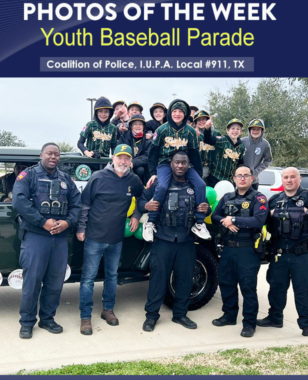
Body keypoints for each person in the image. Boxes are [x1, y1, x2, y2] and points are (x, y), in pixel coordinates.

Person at [12, 143, 82, 339]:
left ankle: (47, 319)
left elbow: (77, 205)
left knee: (55, 282)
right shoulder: (29, 175)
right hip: (36, 236)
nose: (53, 157)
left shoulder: (65, 179)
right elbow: (19, 202)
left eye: (56, 154)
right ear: (41, 154)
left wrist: (68, 223)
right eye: (49, 153)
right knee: (32, 282)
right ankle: (26, 322)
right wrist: (43, 222)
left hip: (59, 238)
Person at [138, 151, 211, 332]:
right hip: (163, 239)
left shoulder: (194, 185)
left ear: (188, 165)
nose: (180, 166)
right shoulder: (159, 184)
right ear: (171, 164)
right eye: (177, 162)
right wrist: (145, 206)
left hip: (186, 240)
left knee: (185, 279)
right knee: (158, 280)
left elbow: (205, 209)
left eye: (183, 163)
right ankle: (151, 316)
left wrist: (207, 210)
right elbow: (141, 201)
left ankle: (180, 315)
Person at [257, 167, 308, 336]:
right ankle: (275, 318)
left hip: (301, 254)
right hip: (279, 254)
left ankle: (307, 325)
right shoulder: (276, 199)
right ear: (282, 180)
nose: (289, 180)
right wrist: (269, 215)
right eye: (286, 177)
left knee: (304, 289)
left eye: (293, 177)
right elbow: (261, 220)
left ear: (299, 179)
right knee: (276, 287)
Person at [77, 144, 144, 335]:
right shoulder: (98, 177)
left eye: (127, 158)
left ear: (131, 161)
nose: (123, 161)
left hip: (116, 238)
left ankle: (107, 310)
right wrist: (81, 228)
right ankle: (85, 317)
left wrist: (137, 215)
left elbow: (143, 197)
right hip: (94, 237)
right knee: (88, 279)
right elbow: (85, 205)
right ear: (112, 158)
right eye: (120, 157)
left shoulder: (134, 179)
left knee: (112, 276)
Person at [211, 165, 268, 338]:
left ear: (252, 178)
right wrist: (225, 221)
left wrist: (234, 219)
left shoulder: (259, 198)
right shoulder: (227, 197)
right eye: (239, 176)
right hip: (228, 248)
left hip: (248, 250)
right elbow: (215, 216)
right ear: (234, 179)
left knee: (247, 288)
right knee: (227, 284)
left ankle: (249, 323)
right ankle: (229, 316)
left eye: (246, 175)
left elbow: (258, 220)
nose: (242, 178)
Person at [144, 99, 210, 242]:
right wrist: (152, 173)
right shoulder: (161, 130)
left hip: (185, 165)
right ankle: (150, 222)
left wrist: (197, 174)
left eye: (181, 111)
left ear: (185, 114)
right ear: (170, 113)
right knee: (161, 186)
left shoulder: (191, 132)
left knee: (201, 185)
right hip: (165, 163)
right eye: (174, 111)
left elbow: (194, 154)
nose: (177, 114)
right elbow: (153, 153)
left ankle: (199, 223)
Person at [203, 118, 246, 188]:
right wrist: (207, 129)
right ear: (227, 130)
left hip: (231, 181)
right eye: (233, 128)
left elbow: (240, 163)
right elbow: (208, 140)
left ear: (241, 132)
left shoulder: (241, 146)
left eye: (238, 129)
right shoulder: (222, 140)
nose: (235, 130)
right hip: (216, 178)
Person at [118, 113, 152, 183]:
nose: (138, 126)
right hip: (124, 164)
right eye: (135, 124)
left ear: (143, 126)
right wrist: (127, 162)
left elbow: (147, 156)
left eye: (140, 124)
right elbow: (118, 151)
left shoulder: (148, 140)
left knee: (140, 170)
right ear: (131, 126)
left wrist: (133, 162)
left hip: (141, 169)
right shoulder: (124, 137)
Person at [241, 119, 273, 190]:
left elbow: (268, 160)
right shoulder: (242, 141)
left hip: (253, 181)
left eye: (258, 129)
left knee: (253, 200)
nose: (255, 131)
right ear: (249, 130)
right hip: (240, 180)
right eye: (253, 129)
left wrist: (255, 171)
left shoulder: (265, 144)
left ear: (262, 131)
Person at [193, 110, 220, 180]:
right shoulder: (193, 133)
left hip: (215, 167)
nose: (201, 122)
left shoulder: (216, 133)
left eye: (203, 119)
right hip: (200, 167)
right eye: (198, 120)